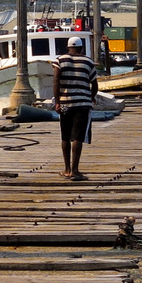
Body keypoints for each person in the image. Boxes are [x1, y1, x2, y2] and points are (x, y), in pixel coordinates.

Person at [54, 36, 98, 180]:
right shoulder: (88, 62)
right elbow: (95, 85)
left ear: (68, 47)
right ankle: (75, 170)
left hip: (65, 103)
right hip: (82, 104)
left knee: (65, 136)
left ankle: (66, 169)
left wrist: (58, 102)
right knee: (77, 137)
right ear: (81, 48)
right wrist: (91, 97)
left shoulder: (59, 60)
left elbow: (56, 81)